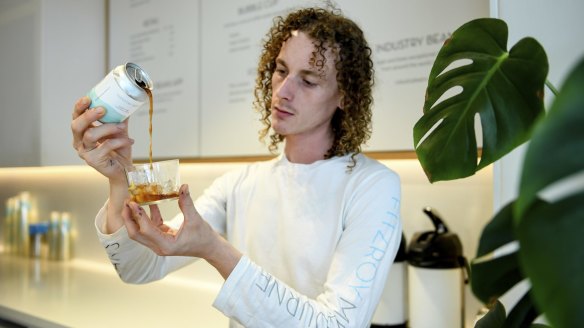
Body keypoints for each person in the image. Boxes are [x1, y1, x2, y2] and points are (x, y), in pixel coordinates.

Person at [71, 5, 401, 328]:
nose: (283, 92)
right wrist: (120, 181)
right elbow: (138, 269)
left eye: (309, 81)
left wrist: (214, 249)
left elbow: (339, 323)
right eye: (282, 70)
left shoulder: (373, 187)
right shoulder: (241, 184)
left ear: (345, 96)